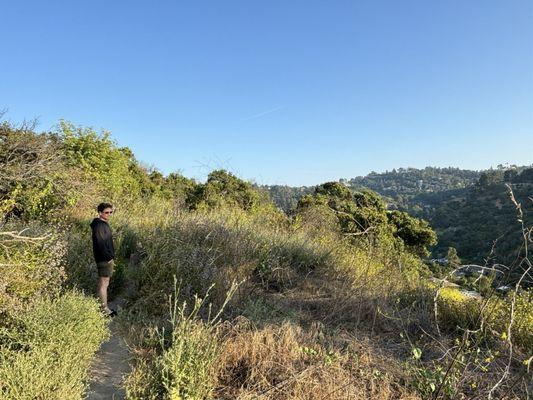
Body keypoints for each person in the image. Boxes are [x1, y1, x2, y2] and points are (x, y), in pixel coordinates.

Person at [90, 202, 117, 317]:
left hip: (105, 258)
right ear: (100, 213)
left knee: (103, 283)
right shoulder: (100, 225)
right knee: (104, 283)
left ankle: (100, 306)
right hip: (104, 259)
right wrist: (109, 257)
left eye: (111, 212)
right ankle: (104, 310)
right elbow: (101, 244)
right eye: (106, 212)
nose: (109, 214)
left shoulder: (101, 224)